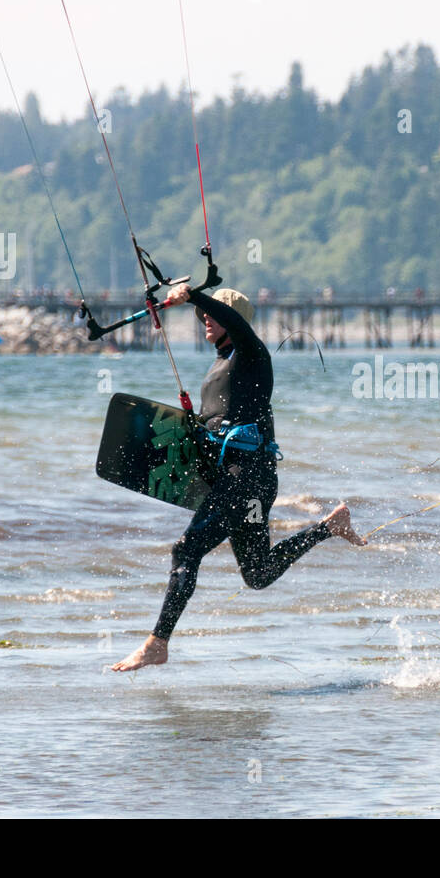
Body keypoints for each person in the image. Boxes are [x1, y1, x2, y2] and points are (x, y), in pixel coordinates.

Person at [108, 285, 365, 672]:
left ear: (235, 321)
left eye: (214, 314)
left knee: (186, 550)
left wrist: (193, 295)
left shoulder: (250, 353)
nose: (206, 320)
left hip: (246, 478)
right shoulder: (219, 365)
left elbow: (230, 321)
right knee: (258, 574)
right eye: (205, 316)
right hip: (247, 479)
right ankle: (329, 526)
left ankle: (156, 643)